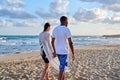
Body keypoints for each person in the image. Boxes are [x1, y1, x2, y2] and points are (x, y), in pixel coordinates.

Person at [51, 16, 75, 80]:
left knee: (63, 68)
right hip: (64, 52)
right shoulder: (66, 29)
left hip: (58, 52)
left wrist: (54, 51)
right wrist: (73, 53)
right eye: (67, 21)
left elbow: (52, 42)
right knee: (62, 70)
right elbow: (70, 43)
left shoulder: (55, 29)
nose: (68, 23)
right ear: (64, 21)